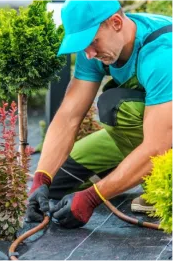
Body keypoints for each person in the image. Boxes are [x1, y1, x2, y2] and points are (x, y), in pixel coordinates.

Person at [25, 0, 173, 228]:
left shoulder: (161, 54)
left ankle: (159, 188)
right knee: (55, 183)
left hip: (162, 131)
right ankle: (123, 170)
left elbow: (157, 145)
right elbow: (68, 116)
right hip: (148, 126)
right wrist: (40, 179)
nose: (90, 53)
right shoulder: (95, 50)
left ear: (115, 23)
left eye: (93, 42)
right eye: (83, 45)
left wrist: (94, 196)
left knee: (116, 106)